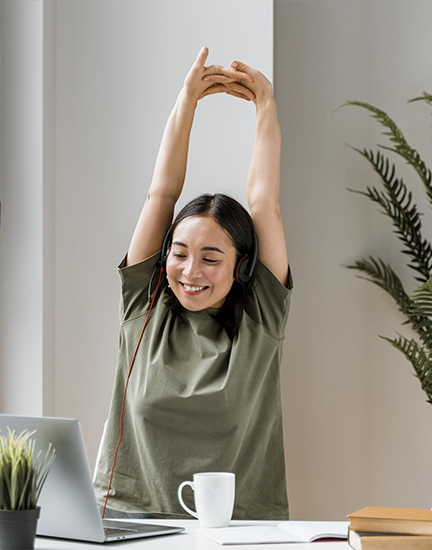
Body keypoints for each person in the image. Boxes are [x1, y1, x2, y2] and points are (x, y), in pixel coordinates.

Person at [93, 47, 292, 521]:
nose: (189, 270)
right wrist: (187, 100)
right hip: (127, 521)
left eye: (210, 258)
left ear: (242, 266)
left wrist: (266, 105)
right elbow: (161, 191)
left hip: (239, 532)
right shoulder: (145, 304)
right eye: (179, 254)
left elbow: (264, 203)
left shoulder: (261, 316)